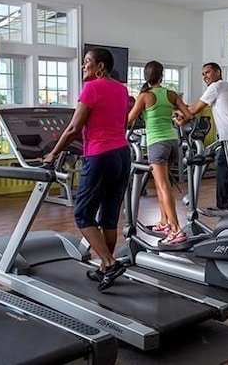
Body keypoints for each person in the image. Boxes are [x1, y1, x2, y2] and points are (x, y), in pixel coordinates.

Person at [43, 47, 130, 292]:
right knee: (109, 215)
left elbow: (73, 128)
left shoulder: (92, 88)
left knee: (82, 214)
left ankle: (109, 263)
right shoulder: (122, 89)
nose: (84, 66)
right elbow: (120, 123)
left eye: (87, 62)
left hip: (100, 155)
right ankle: (104, 269)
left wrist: (53, 153)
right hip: (122, 154)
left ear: (100, 66)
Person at [127, 61, 193, 245]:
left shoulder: (145, 96)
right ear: (161, 75)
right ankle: (164, 222)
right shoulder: (170, 94)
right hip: (173, 143)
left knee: (163, 187)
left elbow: (129, 119)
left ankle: (176, 229)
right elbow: (188, 115)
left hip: (157, 144)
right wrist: (178, 120)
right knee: (160, 185)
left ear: (146, 77)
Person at [189, 62, 228, 211]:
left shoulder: (215, 87)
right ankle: (222, 206)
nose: (205, 76)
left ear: (218, 72)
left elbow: (195, 109)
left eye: (208, 72)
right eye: (203, 74)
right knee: (222, 164)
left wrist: (177, 109)